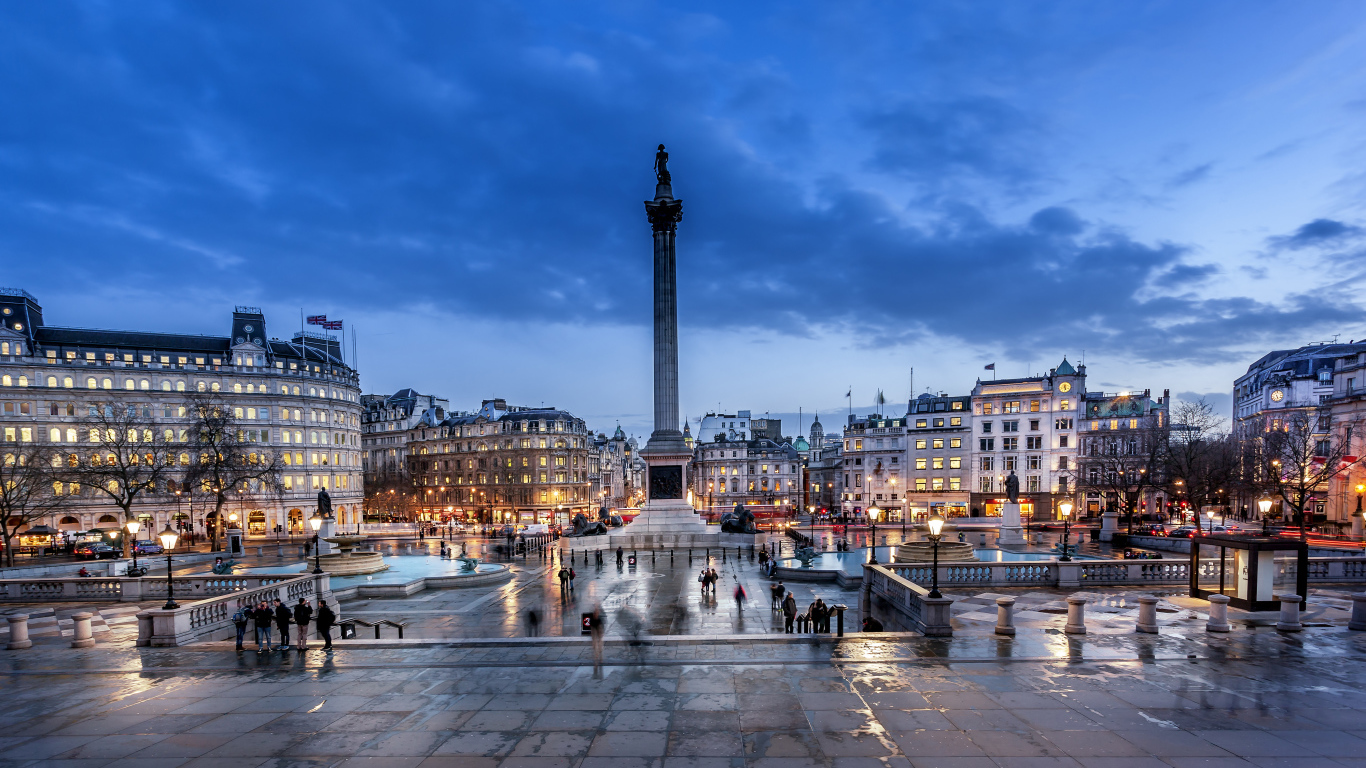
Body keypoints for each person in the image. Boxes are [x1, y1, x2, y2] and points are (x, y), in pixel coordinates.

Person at [588, 605, 606, 678]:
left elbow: (601, 628)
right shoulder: (592, 619)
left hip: (599, 630)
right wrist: (593, 640)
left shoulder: (599, 619)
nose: (596, 614)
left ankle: (600, 658)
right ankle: (596, 661)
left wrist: (600, 634)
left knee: (600, 646)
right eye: (595, 613)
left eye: (597, 613)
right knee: (595, 647)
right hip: (595, 630)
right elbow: (592, 629)